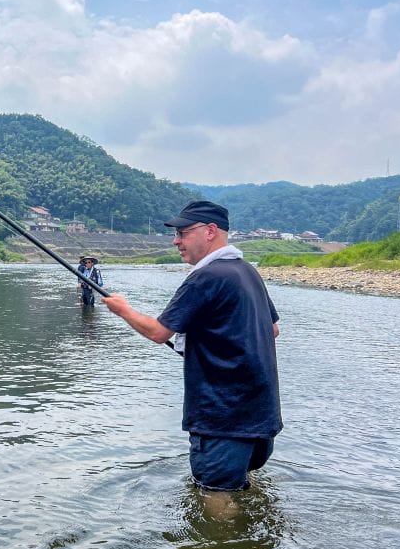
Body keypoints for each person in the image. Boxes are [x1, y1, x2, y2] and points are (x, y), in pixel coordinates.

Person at [103, 201, 281, 497]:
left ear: (210, 231)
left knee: (215, 497)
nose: (176, 241)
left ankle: (221, 544)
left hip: (221, 418)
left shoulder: (205, 276)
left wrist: (123, 310)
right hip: (260, 416)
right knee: (239, 487)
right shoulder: (247, 271)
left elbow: (159, 332)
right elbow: (272, 329)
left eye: (183, 233)